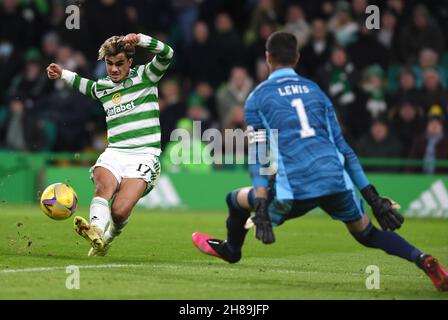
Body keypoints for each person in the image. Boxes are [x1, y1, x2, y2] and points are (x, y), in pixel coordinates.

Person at [192, 32, 448, 291]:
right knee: (368, 234)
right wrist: (372, 197)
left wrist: (260, 202)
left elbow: (257, 155)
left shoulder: (257, 98)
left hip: (295, 188)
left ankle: (231, 249)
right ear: (298, 57)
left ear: (267, 58)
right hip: (335, 179)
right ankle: (421, 258)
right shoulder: (316, 92)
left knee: (234, 199)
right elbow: (344, 149)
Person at [46, 33, 173, 256]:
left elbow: (167, 53)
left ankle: (108, 235)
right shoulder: (104, 86)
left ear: (130, 62)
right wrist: (63, 73)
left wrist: (141, 39)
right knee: (102, 187)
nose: (113, 69)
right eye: (109, 64)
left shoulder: (147, 75)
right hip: (115, 152)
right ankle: (94, 228)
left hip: (144, 156)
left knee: (119, 211)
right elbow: (87, 87)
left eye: (119, 64)